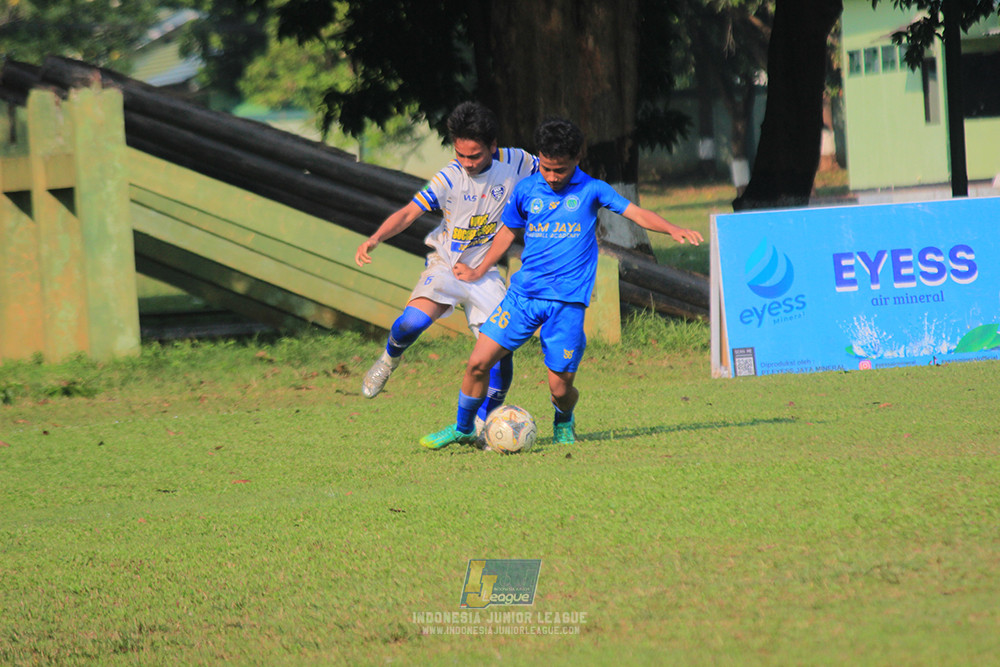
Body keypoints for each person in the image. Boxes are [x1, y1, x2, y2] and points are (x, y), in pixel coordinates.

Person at [419, 116, 704, 450]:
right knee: (477, 364)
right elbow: (508, 231)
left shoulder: (592, 190)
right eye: (546, 168)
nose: (552, 177)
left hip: (566, 304)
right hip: (523, 297)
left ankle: (564, 418)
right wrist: (480, 268)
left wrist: (672, 228)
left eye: (561, 170)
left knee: (560, 389)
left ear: (577, 158)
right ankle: (463, 428)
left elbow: (635, 213)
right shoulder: (526, 189)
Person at [355, 101, 537, 430]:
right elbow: (409, 213)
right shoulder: (449, 178)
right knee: (410, 323)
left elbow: (554, 171)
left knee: (501, 351)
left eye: (474, 156)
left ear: (493, 146)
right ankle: (389, 359)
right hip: (447, 265)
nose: (466, 163)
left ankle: (486, 423)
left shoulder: (518, 162)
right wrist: (376, 238)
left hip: (485, 273)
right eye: (460, 154)